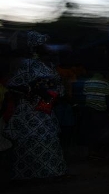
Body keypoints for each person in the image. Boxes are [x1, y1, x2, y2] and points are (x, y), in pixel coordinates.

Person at [3, 31, 67, 180]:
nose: (47, 47)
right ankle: (28, 175)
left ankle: (52, 173)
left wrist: (54, 92)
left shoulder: (49, 65)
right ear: (35, 47)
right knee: (31, 140)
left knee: (49, 139)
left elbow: (58, 86)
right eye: (43, 44)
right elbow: (12, 85)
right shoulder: (27, 64)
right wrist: (34, 89)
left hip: (46, 109)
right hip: (30, 112)